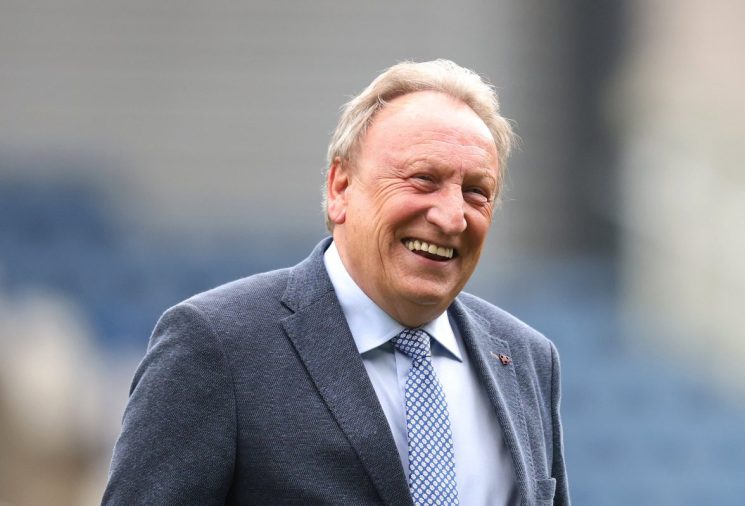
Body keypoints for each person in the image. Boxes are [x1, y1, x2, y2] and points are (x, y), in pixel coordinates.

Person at [103, 59, 569, 505]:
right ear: (340, 188)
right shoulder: (217, 346)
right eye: (423, 179)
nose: (451, 218)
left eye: (476, 193)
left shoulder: (527, 358)